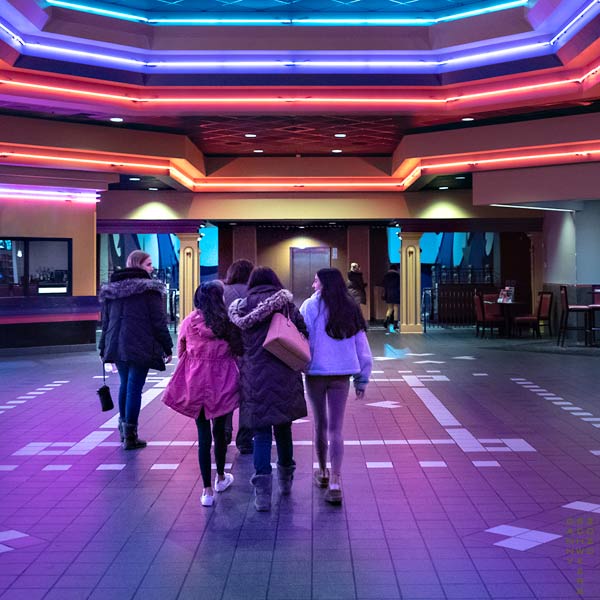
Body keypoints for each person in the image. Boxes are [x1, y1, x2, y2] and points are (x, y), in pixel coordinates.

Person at [228, 267, 308, 511]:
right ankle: (285, 481)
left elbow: (235, 343)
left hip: (254, 378)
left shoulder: (240, 308)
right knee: (283, 430)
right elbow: (304, 333)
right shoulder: (286, 306)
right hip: (284, 375)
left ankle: (262, 494)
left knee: (261, 434)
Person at [162, 281, 242, 507]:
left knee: (203, 435)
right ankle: (220, 478)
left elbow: (181, 351)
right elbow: (238, 352)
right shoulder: (227, 324)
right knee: (220, 431)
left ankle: (206, 491)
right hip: (223, 381)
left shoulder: (189, 322)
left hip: (195, 381)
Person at [300, 268, 372, 504]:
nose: (313, 285)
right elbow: (362, 345)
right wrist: (362, 378)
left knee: (320, 424)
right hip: (342, 374)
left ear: (324, 284)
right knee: (336, 429)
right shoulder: (350, 308)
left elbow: (302, 338)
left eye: (315, 280)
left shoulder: (310, 307)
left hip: (315, 373)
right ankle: (336, 482)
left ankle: (322, 472)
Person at [99, 250, 173, 450]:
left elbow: (106, 321)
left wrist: (103, 346)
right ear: (139, 265)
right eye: (149, 264)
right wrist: (168, 346)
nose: (152, 268)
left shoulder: (112, 290)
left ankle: (124, 430)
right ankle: (131, 435)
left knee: (125, 385)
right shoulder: (149, 291)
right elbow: (159, 322)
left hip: (117, 343)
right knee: (134, 388)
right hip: (141, 343)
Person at [222, 259, 255, 454]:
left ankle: (224, 432)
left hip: (226, 349)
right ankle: (244, 439)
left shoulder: (223, 292)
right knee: (248, 395)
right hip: (250, 350)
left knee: (226, 391)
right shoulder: (254, 293)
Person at [381, 263, 400, 331]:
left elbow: (383, 284)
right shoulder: (397, 275)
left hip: (388, 293)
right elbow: (399, 285)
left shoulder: (386, 275)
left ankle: (386, 320)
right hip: (396, 293)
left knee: (390, 308)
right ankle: (395, 324)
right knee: (396, 308)